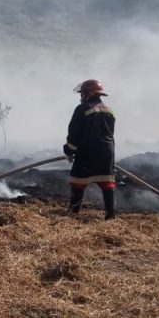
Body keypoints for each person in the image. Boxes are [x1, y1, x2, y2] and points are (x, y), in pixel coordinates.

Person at [63, 79, 116, 219]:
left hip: (87, 152)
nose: (81, 97)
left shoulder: (82, 109)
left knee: (78, 182)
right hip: (107, 151)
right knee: (107, 183)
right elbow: (110, 133)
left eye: (82, 94)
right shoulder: (109, 110)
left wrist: (69, 150)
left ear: (87, 94)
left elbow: (74, 133)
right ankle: (110, 216)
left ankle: (74, 213)